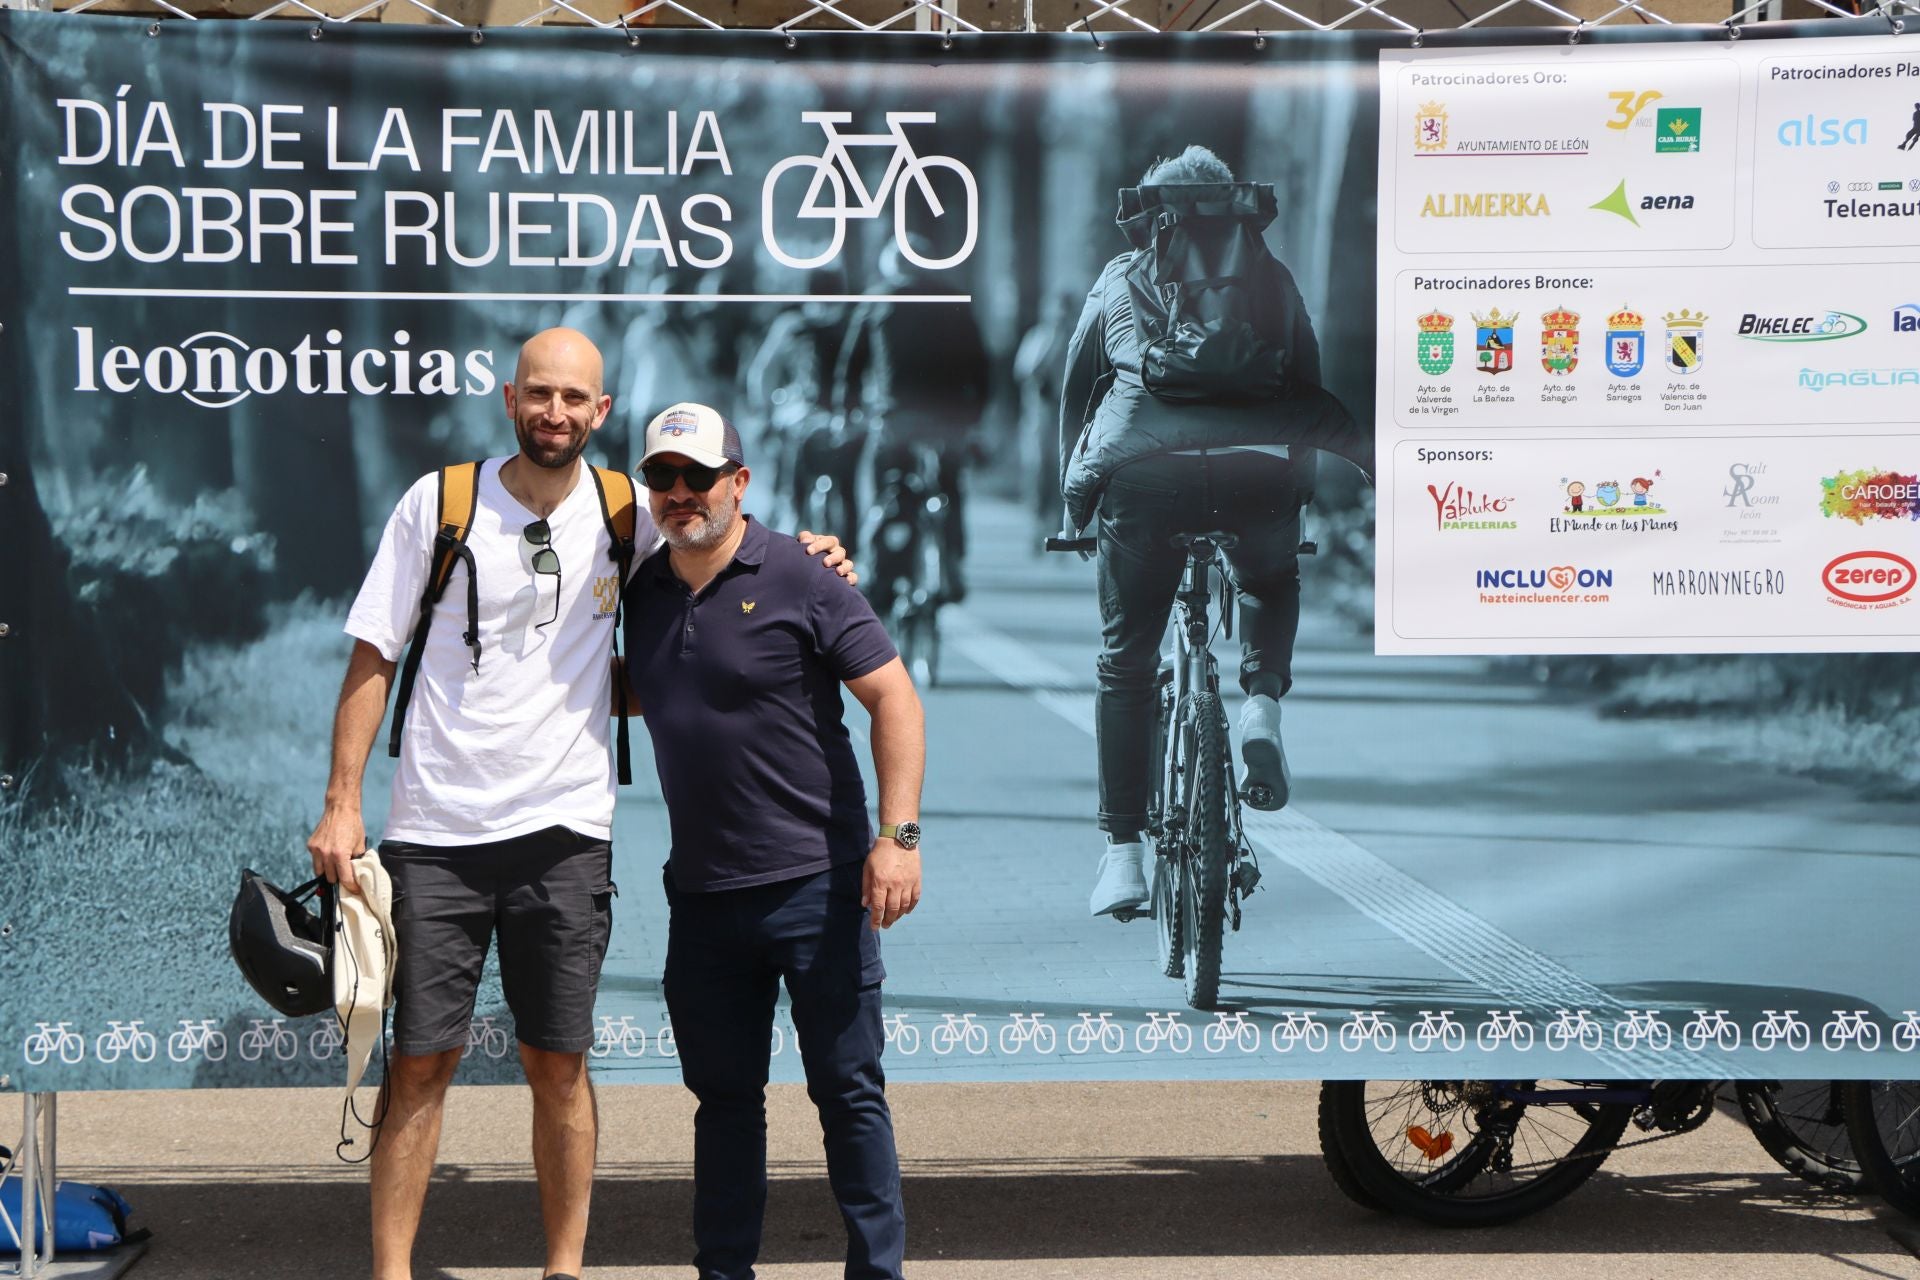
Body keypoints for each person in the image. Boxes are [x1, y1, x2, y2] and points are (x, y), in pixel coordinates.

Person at [305, 330, 852, 1280]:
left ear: (602, 414)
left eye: (576, 400)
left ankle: (566, 1270)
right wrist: (342, 803)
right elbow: (373, 655)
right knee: (419, 1068)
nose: (555, 413)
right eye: (540, 395)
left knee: (557, 1066)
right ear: (510, 398)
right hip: (436, 833)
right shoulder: (439, 505)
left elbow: (723, 537)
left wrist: (814, 555)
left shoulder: (628, 509)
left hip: (564, 834)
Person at [622, 401, 924, 1280]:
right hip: (705, 899)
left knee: (848, 1095)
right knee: (722, 1105)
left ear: (738, 482)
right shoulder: (640, 588)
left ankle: (878, 1273)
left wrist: (897, 838)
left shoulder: (803, 573)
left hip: (817, 888)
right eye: (662, 478)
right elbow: (640, 686)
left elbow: (896, 699)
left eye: (698, 476)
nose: (680, 494)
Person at [1057, 145, 1362, 918]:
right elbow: (1306, 377)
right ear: (1231, 207)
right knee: (1267, 575)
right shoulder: (1270, 275)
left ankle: (1122, 855)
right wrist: (1303, 492)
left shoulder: (1120, 275)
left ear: (1154, 212)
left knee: (1126, 664)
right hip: (1255, 474)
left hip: (1143, 480)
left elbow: (1075, 383)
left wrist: (1071, 506)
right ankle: (1260, 703)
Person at [837, 240, 990, 602]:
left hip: (897, 415)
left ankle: (881, 568)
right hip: (949, 418)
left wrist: (848, 410)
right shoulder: (954, 300)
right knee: (950, 487)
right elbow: (980, 363)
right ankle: (951, 561)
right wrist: (974, 416)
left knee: (885, 488)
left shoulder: (877, 299)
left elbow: (851, 364)